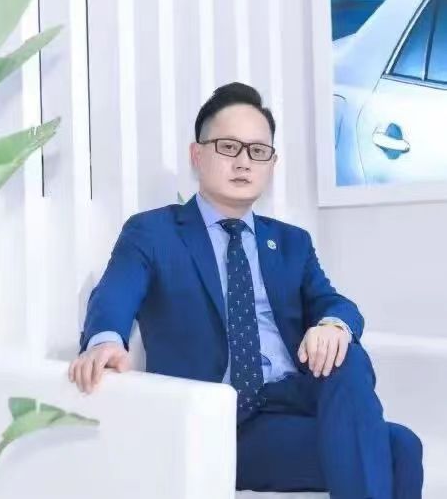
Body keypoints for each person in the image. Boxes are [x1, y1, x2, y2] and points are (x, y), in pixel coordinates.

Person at [69, 82, 423, 498]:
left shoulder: (291, 242)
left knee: (351, 360)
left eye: (257, 151)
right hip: (220, 421)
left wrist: (332, 324)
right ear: (197, 155)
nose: (243, 162)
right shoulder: (154, 231)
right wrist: (105, 340)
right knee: (398, 448)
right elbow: (114, 293)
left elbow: (332, 301)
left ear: (271, 163)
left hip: (291, 399)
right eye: (228, 147)